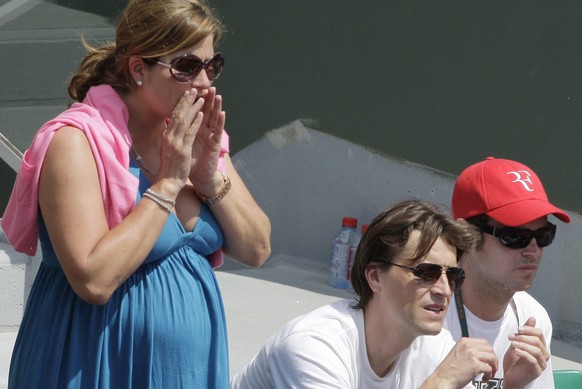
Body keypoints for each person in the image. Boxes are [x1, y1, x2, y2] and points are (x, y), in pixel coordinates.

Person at [1, 0, 271, 387]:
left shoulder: (193, 137)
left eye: (212, 66)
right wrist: (169, 183)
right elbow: (93, 280)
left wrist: (209, 178)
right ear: (138, 68)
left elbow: (257, 249)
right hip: (96, 362)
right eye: (186, 67)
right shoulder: (75, 143)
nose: (204, 84)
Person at [231, 199, 500, 389]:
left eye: (453, 276)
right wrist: (440, 383)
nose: (443, 288)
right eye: (425, 272)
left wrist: (515, 383)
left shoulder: (437, 349)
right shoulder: (313, 346)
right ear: (374, 277)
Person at [445, 156, 571, 389]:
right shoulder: (427, 311)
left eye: (544, 235)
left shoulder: (533, 318)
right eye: (514, 237)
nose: (533, 250)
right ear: (465, 234)